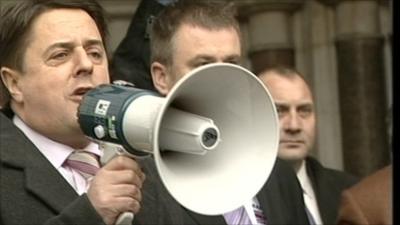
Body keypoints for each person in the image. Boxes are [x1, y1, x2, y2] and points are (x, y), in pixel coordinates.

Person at [0, 1, 186, 225]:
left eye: (95, 53)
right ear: (14, 83)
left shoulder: (152, 165)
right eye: (60, 55)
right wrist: (90, 214)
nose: (86, 64)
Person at [146, 1, 310, 224]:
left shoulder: (277, 175)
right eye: (204, 64)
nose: (224, 75)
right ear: (161, 77)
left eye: (232, 62)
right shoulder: (142, 186)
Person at [258, 66, 359, 225]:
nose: (294, 126)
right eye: (279, 110)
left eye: (304, 110)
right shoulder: (243, 202)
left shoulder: (351, 192)